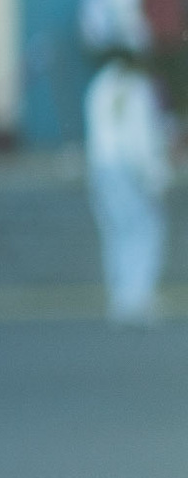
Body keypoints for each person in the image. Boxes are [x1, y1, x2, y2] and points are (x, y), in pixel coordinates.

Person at [83, 50, 170, 324]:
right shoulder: (136, 88)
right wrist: (155, 175)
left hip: (101, 166)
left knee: (116, 232)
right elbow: (140, 137)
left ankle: (121, 296)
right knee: (144, 230)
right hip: (129, 168)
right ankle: (138, 296)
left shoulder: (100, 84)